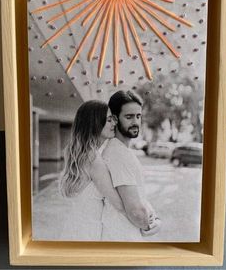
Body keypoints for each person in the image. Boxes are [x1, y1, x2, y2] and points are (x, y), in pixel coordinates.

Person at [59, 100, 156, 241]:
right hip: (88, 235)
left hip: (73, 227)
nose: (114, 124)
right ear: (95, 122)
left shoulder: (75, 152)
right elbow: (120, 204)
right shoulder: (93, 159)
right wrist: (148, 220)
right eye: (109, 120)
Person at [101, 90, 161, 241]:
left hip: (122, 235)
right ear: (115, 119)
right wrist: (152, 225)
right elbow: (135, 211)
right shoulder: (118, 153)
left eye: (138, 116)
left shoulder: (121, 150)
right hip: (122, 238)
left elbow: (139, 196)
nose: (135, 122)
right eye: (129, 117)